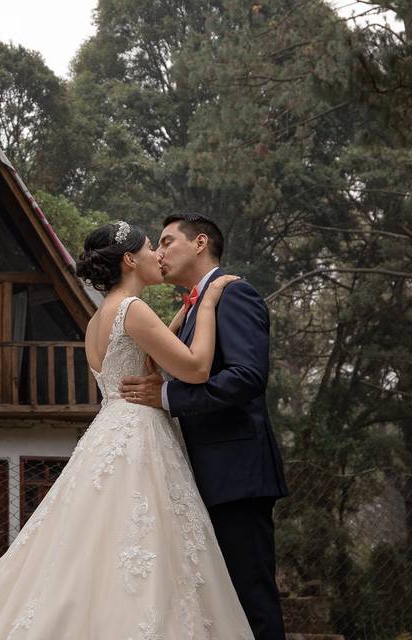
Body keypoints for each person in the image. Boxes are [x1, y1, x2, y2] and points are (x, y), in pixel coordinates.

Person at [0, 220, 254, 639]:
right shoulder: (134, 310)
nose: (160, 256)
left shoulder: (101, 318)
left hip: (109, 430)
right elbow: (194, 366)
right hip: (139, 435)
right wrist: (206, 304)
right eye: (153, 248)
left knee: (94, 547)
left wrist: (185, 309)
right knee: (139, 542)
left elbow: (149, 356)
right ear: (131, 260)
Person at [119, 213, 288, 640]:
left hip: (237, 476)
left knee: (251, 599)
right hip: (200, 476)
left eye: (166, 241)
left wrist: (168, 397)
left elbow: (248, 376)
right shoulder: (195, 306)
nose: (158, 252)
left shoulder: (234, 295)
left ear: (199, 243)